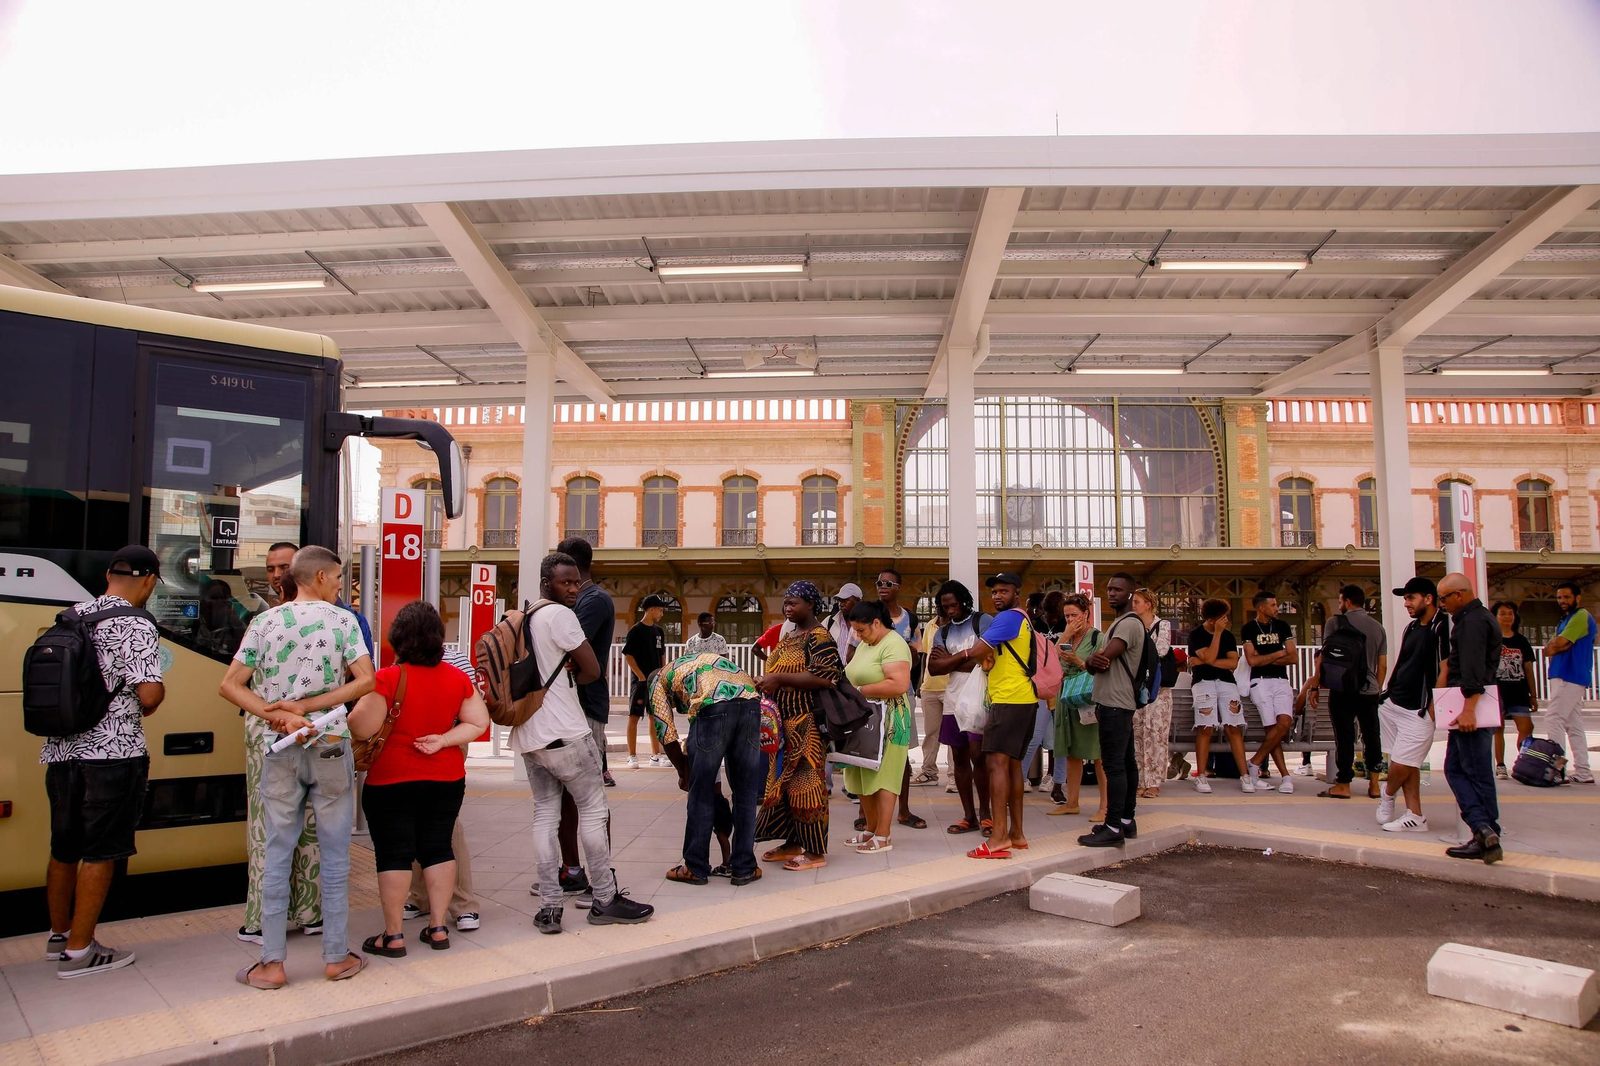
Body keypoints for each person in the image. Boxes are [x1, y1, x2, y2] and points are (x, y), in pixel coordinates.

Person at [221, 546, 374, 988]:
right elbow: (365, 680)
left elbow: (230, 686)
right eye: (339, 577)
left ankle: (271, 963)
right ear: (322, 576)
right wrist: (311, 708)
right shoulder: (342, 620)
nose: (341, 585)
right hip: (329, 741)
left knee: (276, 850)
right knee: (335, 851)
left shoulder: (264, 621)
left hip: (280, 745)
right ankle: (336, 957)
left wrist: (281, 715)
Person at [40, 545, 165, 978]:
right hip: (113, 754)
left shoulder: (71, 616)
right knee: (101, 852)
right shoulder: (134, 624)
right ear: (148, 580)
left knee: (64, 847)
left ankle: (60, 936)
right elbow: (148, 695)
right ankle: (81, 951)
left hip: (62, 752)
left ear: (110, 575)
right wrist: (153, 696)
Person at [517, 552, 654, 933]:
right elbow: (593, 670)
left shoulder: (526, 616)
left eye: (576, 582)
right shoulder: (560, 616)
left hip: (530, 733)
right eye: (566, 583)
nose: (574, 589)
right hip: (566, 731)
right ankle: (605, 899)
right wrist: (579, 664)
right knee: (593, 811)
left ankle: (549, 908)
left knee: (545, 815)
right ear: (548, 584)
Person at [348, 602, 489, 957]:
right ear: (438, 638)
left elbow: (361, 726)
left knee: (393, 854)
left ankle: (393, 936)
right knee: (438, 847)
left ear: (397, 638)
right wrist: (443, 739)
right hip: (445, 778)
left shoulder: (387, 679)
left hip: (391, 779)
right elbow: (478, 723)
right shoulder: (456, 678)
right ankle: (438, 927)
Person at [535, 536, 617, 909]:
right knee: (562, 802)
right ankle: (570, 871)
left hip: (585, 708)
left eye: (569, 580)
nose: (567, 587)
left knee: (590, 801)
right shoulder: (572, 603)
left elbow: (575, 652)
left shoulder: (590, 601)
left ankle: (601, 877)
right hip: (565, 710)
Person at [648, 652, 764, 884]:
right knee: (745, 792)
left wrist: (684, 773)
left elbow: (666, 733)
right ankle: (744, 868)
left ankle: (696, 867)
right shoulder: (691, 663)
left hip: (712, 707)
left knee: (700, 792)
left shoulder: (657, 682)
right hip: (751, 702)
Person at [754, 581, 844, 871]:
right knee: (784, 786)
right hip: (783, 725)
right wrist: (767, 681)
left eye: (794, 603)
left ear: (811, 605)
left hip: (806, 724)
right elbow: (778, 670)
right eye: (786, 603)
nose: (788, 608)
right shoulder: (788, 635)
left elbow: (827, 677)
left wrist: (779, 679)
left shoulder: (819, 637)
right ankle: (792, 842)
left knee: (807, 786)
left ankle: (815, 852)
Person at [405, 643, 481, 932]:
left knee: (448, 824)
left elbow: (474, 705)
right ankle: (420, 895)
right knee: (413, 816)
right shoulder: (404, 659)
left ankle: (463, 903)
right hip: (412, 744)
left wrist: (448, 737)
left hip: (448, 743)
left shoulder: (454, 659)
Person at [963, 572, 1035, 859]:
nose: (997, 596)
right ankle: (1016, 834)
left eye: (1004, 591)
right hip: (1025, 698)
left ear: (1016, 593)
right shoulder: (1023, 619)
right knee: (1013, 765)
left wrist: (961, 655)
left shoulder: (1006, 619)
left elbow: (978, 651)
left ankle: (998, 838)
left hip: (1007, 700)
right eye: (994, 592)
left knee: (995, 764)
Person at [1438, 573, 1504, 864]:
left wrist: (1468, 709)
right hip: (1471, 706)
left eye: (1444, 598)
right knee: (1459, 768)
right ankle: (1484, 831)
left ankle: (1484, 830)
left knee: (1472, 772)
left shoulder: (1473, 622)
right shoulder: (1479, 618)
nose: (1442, 605)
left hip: (1470, 709)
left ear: (1459, 595)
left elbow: (1473, 668)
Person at [1375, 578, 1450, 833]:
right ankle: (1415, 815)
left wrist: (1434, 705)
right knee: (1409, 762)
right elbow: (1402, 662)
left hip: (1420, 708)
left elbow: (1446, 666)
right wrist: (1387, 693)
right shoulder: (1411, 628)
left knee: (1402, 761)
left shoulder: (1443, 626)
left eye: (1410, 598)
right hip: (1395, 702)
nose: (1406, 603)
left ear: (1428, 599)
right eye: (1405, 598)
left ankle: (1387, 794)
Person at [838, 601, 914, 854]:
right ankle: (870, 829)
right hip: (865, 718)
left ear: (877, 623)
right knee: (862, 774)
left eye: (862, 630)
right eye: (855, 631)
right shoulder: (866, 644)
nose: (857, 636)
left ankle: (883, 835)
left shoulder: (894, 644)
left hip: (890, 719)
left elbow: (899, 683)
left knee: (884, 775)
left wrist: (859, 692)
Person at [1078, 573, 1147, 847]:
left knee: (1114, 766)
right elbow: (1096, 661)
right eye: (1109, 589)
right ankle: (1126, 822)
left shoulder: (1129, 624)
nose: (1112, 593)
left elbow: (1103, 659)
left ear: (1131, 594)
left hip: (1115, 704)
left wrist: (1093, 660)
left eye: (1118, 589)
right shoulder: (1120, 623)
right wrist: (1093, 661)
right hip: (1118, 703)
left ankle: (1113, 825)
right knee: (1126, 763)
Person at [1306, 585, 1387, 800]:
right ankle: (1375, 785)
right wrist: (1376, 689)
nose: (1340, 605)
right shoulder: (1378, 628)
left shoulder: (1335, 622)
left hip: (1341, 687)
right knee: (1372, 735)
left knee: (1344, 736)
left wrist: (1315, 685)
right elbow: (1383, 665)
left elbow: (1323, 658)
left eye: (1341, 601)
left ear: (1348, 602)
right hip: (1368, 690)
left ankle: (1343, 785)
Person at [926, 580, 992, 834]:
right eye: (944, 606)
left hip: (979, 697)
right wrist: (967, 656)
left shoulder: (982, 621)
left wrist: (952, 660)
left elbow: (987, 658)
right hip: (953, 699)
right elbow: (934, 668)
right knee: (959, 757)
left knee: (979, 755)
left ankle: (986, 815)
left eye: (953, 604)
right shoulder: (942, 631)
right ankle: (969, 816)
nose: (950, 609)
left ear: (964, 600)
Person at [873, 568, 927, 830]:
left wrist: (898, 648)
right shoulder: (867, 614)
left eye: (888, 583)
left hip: (902, 694)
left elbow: (916, 657)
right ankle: (866, 811)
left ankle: (903, 810)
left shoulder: (910, 619)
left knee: (900, 752)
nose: (882, 586)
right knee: (870, 750)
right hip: (873, 694)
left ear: (898, 587)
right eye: (879, 583)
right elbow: (852, 653)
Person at [1049, 592, 1107, 820]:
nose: (1070, 619)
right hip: (1066, 696)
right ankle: (1072, 801)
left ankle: (1105, 806)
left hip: (1087, 697)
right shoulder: (1066, 636)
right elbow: (1051, 660)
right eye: (1066, 615)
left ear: (1086, 614)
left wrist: (1079, 662)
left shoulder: (1097, 638)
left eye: (1074, 615)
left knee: (1098, 753)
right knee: (1071, 752)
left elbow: (1102, 669)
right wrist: (1066, 634)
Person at [1188, 599, 1253, 795]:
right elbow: (1208, 657)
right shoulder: (1196, 635)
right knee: (1205, 727)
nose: (1226, 620)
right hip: (1203, 683)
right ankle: (1201, 776)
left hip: (1227, 683)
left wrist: (1204, 661)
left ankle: (1245, 775)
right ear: (1212, 618)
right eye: (1223, 616)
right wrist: (1215, 635)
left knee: (1233, 727)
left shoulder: (1229, 636)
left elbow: (1232, 663)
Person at [1241, 590, 1298, 795]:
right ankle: (1285, 776)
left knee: (1284, 722)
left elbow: (1294, 657)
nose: (1277, 608)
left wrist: (1265, 656)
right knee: (1271, 728)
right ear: (1262, 607)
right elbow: (1252, 661)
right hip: (1260, 682)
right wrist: (1279, 652)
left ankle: (1255, 762)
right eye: (1273, 605)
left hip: (1282, 681)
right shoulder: (1249, 629)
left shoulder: (1282, 626)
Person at [1541, 581, 1596, 785]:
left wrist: (1558, 645)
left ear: (1577, 598)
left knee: (1553, 719)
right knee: (1574, 725)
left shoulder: (1581, 616)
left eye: (1566, 597)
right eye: (1559, 597)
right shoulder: (1566, 619)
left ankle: (1557, 770)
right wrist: (1557, 646)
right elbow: (1550, 647)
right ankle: (1583, 772)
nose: (1562, 601)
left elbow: (1560, 643)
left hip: (1569, 675)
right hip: (1567, 675)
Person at [1130, 588, 1174, 799]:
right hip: (1137, 687)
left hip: (1158, 688)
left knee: (1156, 733)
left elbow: (1162, 649)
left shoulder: (1162, 625)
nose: (1134, 605)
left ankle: (1154, 781)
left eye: (1137, 601)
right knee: (1138, 733)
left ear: (1148, 604)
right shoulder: (1132, 625)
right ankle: (1140, 779)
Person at [1021, 592, 1066, 793]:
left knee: (1059, 738)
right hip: (1041, 686)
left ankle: (1056, 779)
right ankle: (1020, 777)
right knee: (1035, 735)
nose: (1051, 617)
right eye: (1048, 612)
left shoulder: (1067, 624)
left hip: (1064, 686)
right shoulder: (1036, 626)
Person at [1491, 601, 1537, 780]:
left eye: (1510, 613)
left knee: (1526, 727)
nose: (1507, 617)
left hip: (1518, 691)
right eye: (1503, 613)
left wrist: (1533, 695)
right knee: (1498, 729)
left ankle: (1523, 763)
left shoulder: (1521, 641)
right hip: (1497, 692)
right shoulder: (1491, 640)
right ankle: (1500, 765)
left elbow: (1528, 669)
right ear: (1495, 617)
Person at [623, 596, 669, 768]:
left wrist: (662, 673)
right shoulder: (636, 630)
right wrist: (641, 676)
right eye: (660, 610)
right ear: (650, 609)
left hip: (656, 680)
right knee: (634, 716)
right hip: (640, 682)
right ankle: (632, 756)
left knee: (654, 717)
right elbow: (628, 655)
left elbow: (662, 654)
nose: (662, 613)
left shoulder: (659, 631)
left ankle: (655, 755)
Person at [827, 582, 864, 666]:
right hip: (834, 675)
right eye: (839, 600)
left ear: (858, 601)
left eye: (845, 600)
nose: (841, 604)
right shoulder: (829, 621)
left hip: (855, 675)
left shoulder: (867, 624)